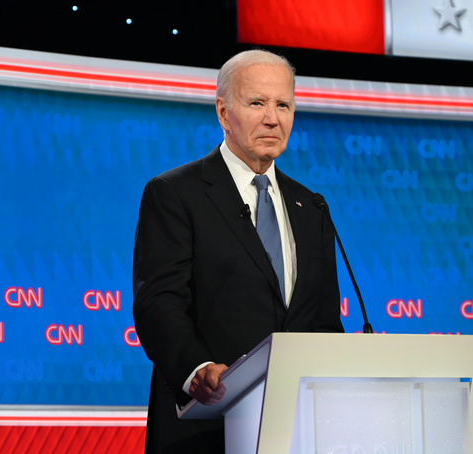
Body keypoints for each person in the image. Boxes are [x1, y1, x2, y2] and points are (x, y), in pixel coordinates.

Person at [132, 49, 344, 454]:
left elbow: (323, 322)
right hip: (205, 425)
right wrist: (195, 370)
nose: (273, 118)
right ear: (223, 112)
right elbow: (159, 301)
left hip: (295, 430)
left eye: (283, 104)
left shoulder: (311, 206)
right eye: (257, 103)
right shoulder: (176, 193)